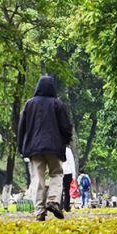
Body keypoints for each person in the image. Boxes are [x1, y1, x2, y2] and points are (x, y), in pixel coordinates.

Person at [17, 75, 74, 221]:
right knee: (56, 173)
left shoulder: (29, 104)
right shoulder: (58, 104)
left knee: (37, 178)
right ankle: (54, 201)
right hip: (54, 147)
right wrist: (66, 140)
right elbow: (66, 126)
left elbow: (21, 128)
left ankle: (39, 212)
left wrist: (21, 147)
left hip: (34, 148)